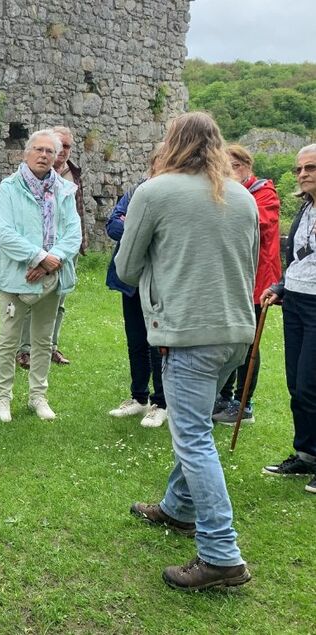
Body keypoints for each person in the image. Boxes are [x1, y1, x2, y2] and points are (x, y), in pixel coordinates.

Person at [117, 112, 258, 590]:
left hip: (188, 333)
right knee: (195, 426)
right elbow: (251, 262)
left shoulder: (154, 191)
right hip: (237, 332)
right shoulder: (242, 196)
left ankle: (221, 553)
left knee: (193, 437)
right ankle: (178, 509)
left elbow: (127, 266)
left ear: (173, 143)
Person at [0, 129, 81, 423]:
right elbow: (4, 233)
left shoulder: (64, 190)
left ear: (56, 158)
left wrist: (48, 262)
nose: (44, 155)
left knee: (43, 340)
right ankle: (3, 398)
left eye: (50, 152)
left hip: (50, 277)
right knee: (8, 340)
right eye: (39, 150)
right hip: (18, 277)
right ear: (26, 153)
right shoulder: (8, 188)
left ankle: (38, 397)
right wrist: (39, 257)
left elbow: (72, 233)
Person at [211, 144, 282, 424]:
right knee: (226, 339)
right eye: (225, 168)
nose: (230, 173)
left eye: (235, 166)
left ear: (247, 166)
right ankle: (224, 397)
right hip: (232, 278)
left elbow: (258, 223)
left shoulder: (264, 193)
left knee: (249, 343)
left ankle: (244, 404)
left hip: (258, 282)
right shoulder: (226, 193)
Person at [260, 143, 316, 494]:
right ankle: (307, 453)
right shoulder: (306, 209)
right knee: (297, 383)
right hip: (295, 300)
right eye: (298, 169)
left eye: (309, 168)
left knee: (312, 382)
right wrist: (281, 286)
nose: (302, 174)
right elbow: (297, 255)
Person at [105, 145, 168, 429]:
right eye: (158, 161)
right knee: (135, 340)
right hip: (131, 279)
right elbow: (112, 225)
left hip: (159, 280)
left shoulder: (173, 196)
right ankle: (139, 397)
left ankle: (161, 402)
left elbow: (164, 237)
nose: (161, 166)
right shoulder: (136, 191)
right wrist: (138, 229)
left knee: (158, 341)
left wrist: (134, 226)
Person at [16, 125, 84, 368]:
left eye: (67, 147)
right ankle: (24, 350)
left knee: (60, 299)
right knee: (30, 298)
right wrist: (42, 259)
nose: (64, 151)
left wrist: (70, 249)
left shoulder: (72, 173)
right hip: (39, 250)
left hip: (65, 249)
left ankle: (51, 346)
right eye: (61, 146)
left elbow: (75, 214)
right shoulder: (32, 177)